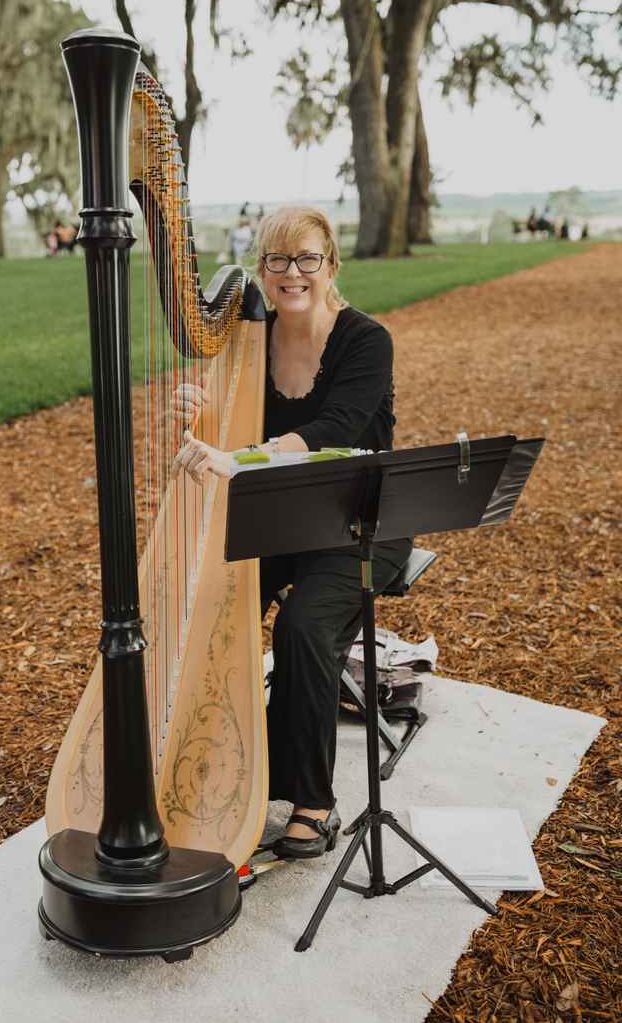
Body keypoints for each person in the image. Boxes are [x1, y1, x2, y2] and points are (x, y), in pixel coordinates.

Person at [172, 207, 412, 860]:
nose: (292, 272)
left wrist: (241, 460)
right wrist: (196, 411)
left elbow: (335, 427)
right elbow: (227, 436)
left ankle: (314, 801)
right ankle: (209, 756)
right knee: (214, 603)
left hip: (361, 522)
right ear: (263, 270)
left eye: (306, 258)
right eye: (277, 260)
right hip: (283, 517)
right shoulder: (252, 340)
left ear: (331, 265)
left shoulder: (366, 341)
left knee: (301, 626)